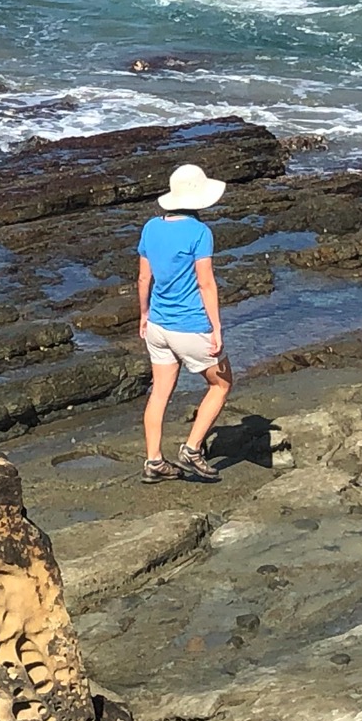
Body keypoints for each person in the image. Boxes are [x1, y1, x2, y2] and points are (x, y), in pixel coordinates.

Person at [138, 162, 232, 483]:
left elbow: (143, 278)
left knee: (160, 392)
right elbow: (206, 283)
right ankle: (192, 450)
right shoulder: (200, 232)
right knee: (221, 384)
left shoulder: (150, 227)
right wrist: (216, 327)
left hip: (158, 326)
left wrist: (143, 313)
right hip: (189, 324)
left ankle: (153, 461)